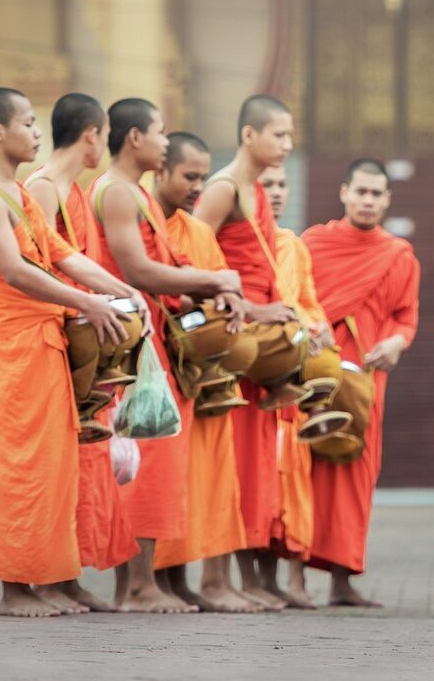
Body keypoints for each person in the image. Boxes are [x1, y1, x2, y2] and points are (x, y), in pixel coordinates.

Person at [0, 87, 148, 617]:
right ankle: (15, 590)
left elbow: (64, 256)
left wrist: (125, 293)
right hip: (12, 348)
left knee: (55, 470)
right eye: (29, 123)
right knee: (18, 467)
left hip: (45, 342)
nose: (38, 133)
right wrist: (88, 302)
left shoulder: (15, 191)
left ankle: (55, 578)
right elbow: (16, 271)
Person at [88, 97, 242, 613]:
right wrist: (215, 278)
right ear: (135, 138)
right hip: (132, 351)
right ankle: (136, 587)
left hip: (152, 344)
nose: (163, 140)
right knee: (143, 462)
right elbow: (138, 270)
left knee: (152, 463)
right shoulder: (115, 192)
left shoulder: (136, 195)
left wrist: (209, 295)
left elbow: (162, 271)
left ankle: (139, 583)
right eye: (159, 132)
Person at [24, 92, 139, 613]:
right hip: (50, 338)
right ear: (93, 134)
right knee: (51, 468)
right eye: (104, 134)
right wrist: (89, 304)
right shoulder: (43, 188)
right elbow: (40, 268)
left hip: (80, 337)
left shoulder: (76, 190)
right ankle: (43, 580)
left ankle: (67, 576)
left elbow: (74, 259)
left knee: (82, 470)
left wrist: (120, 295)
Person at [148, 131, 264, 613]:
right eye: (190, 176)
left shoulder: (195, 230)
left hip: (206, 372)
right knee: (165, 475)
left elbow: (220, 278)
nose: (199, 186)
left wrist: (231, 303)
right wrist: (205, 292)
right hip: (161, 364)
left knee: (214, 478)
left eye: (203, 176)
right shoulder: (144, 219)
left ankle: (206, 581)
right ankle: (164, 581)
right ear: (160, 170)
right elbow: (142, 277)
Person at [194, 94, 299, 611]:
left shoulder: (255, 191)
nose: (288, 144)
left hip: (257, 350)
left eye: (289, 134)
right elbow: (190, 259)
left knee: (249, 468)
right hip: (230, 342)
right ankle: (212, 581)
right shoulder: (222, 188)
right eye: (279, 134)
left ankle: (231, 578)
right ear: (248, 135)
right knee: (223, 464)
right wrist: (253, 312)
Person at [302, 159, 419, 607]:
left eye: (377, 194)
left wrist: (396, 344)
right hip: (317, 372)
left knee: (357, 472)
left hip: (367, 379)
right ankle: (294, 578)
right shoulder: (314, 243)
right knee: (306, 466)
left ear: (388, 199)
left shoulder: (399, 254)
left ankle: (341, 580)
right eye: (361, 192)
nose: (368, 201)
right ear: (344, 192)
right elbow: (295, 298)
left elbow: (406, 317)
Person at [259, 163, 331, 610]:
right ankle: (262, 580)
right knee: (262, 483)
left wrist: (317, 324)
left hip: (294, 382)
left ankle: (297, 580)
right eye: (267, 185)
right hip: (258, 379)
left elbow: (307, 301)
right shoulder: (236, 239)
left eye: (283, 184)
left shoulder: (293, 245)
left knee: (297, 484)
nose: (277, 192)